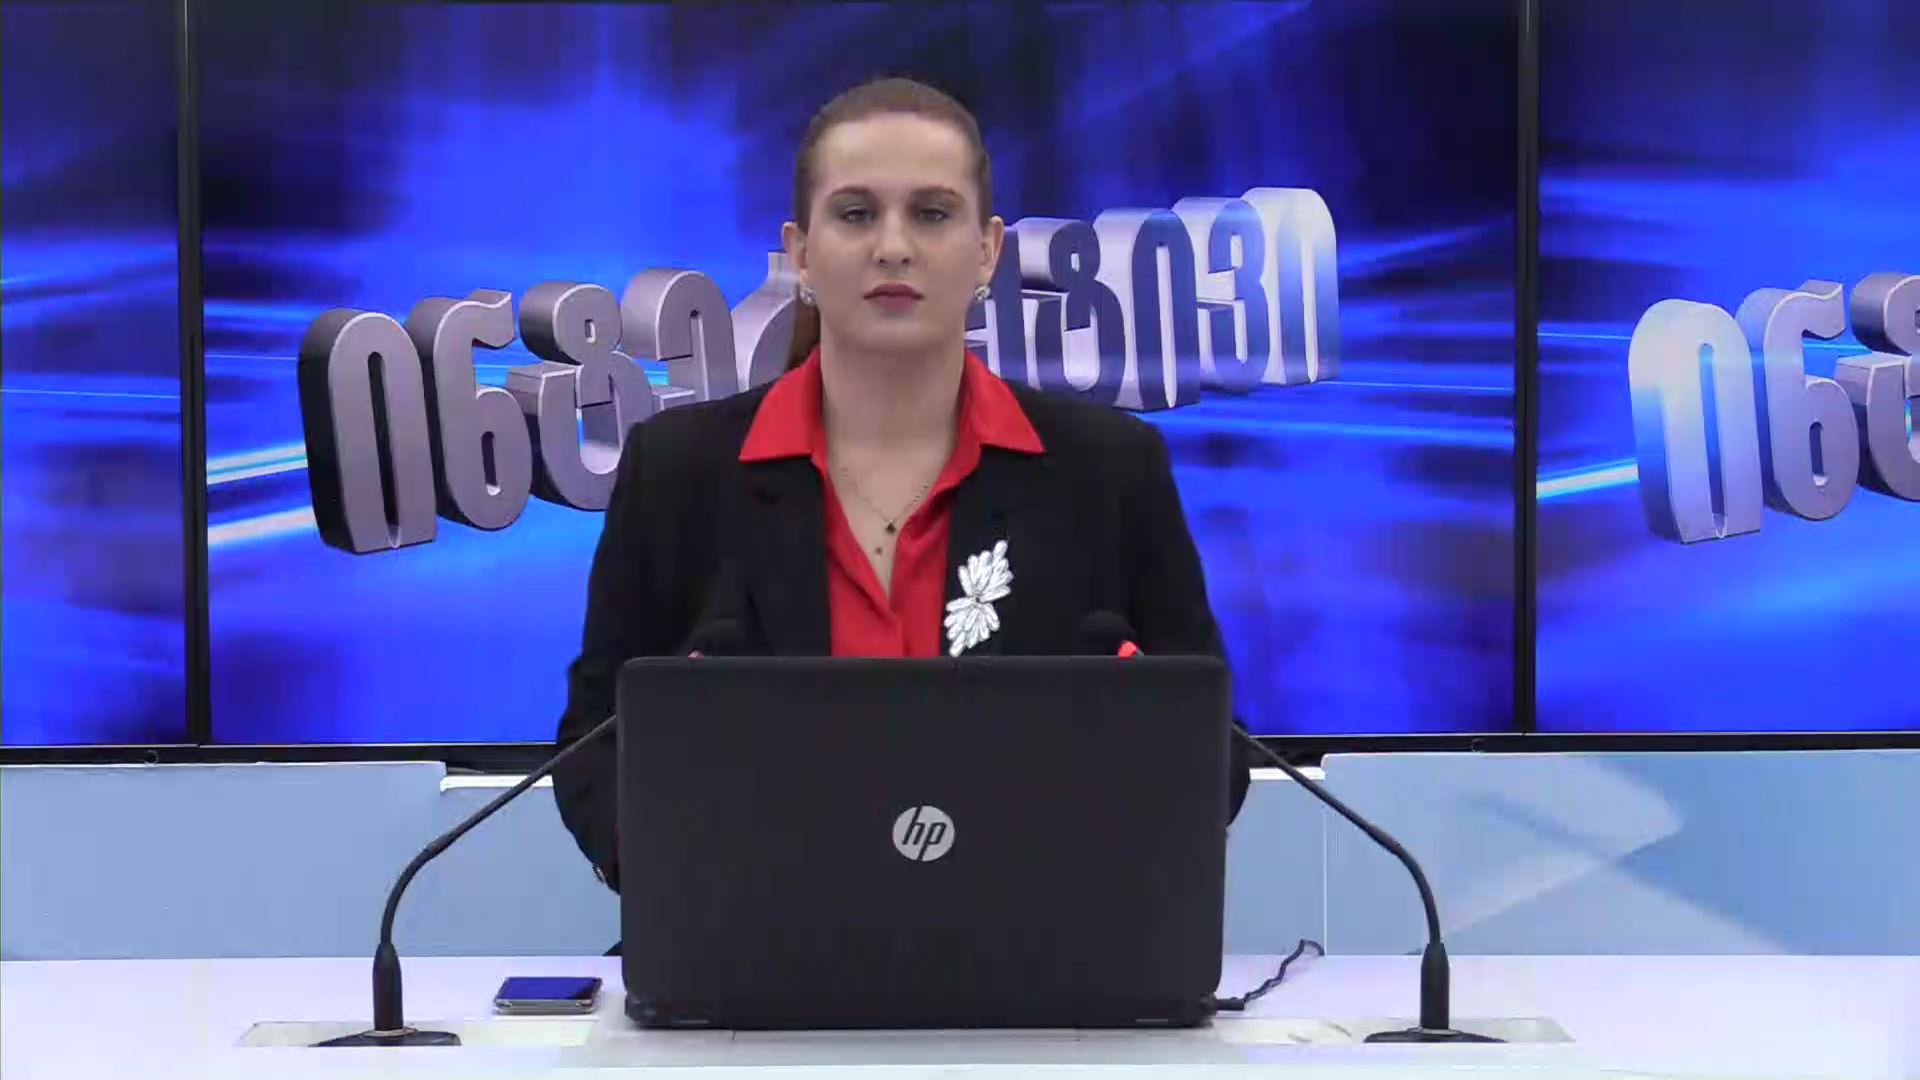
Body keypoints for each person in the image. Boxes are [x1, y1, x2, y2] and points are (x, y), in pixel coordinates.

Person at [553, 77, 1248, 890]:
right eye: (855, 214)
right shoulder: (677, 472)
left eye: (932, 213)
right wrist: (680, 871)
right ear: (800, 253)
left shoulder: (1109, 470)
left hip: (1039, 941)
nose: (893, 246)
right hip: (755, 937)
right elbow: (593, 747)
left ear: (987, 250)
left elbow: (1215, 752)